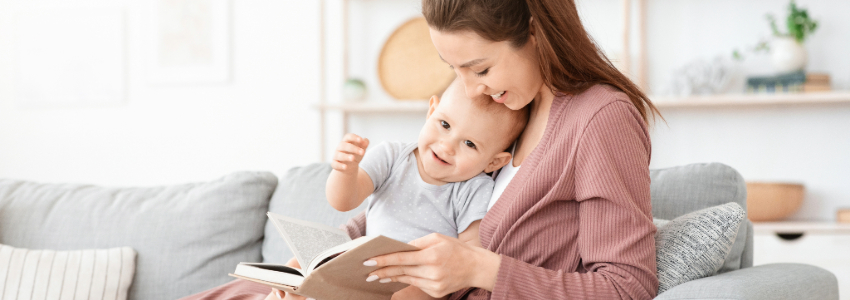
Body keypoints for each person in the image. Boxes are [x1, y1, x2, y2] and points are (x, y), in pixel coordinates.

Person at [184, 0, 662, 299]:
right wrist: (326, 263)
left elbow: (627, 286)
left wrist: (480, 267)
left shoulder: (600, 119)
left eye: (479, 68)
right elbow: (419, 200)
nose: (471, 91)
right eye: (455, 70)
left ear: (535, 32)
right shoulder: (513, 106)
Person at [325, 77, 528, 299]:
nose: (447, 146)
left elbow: (469, 256)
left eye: (469, 144)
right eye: (445, 125)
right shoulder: (391, 157)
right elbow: (343, 201)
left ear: (494, 162)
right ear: (432, 111)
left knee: (411, 291)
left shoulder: (474, 189)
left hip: (421, 281)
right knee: (308, 264)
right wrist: (345, 171)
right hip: (365, 271)